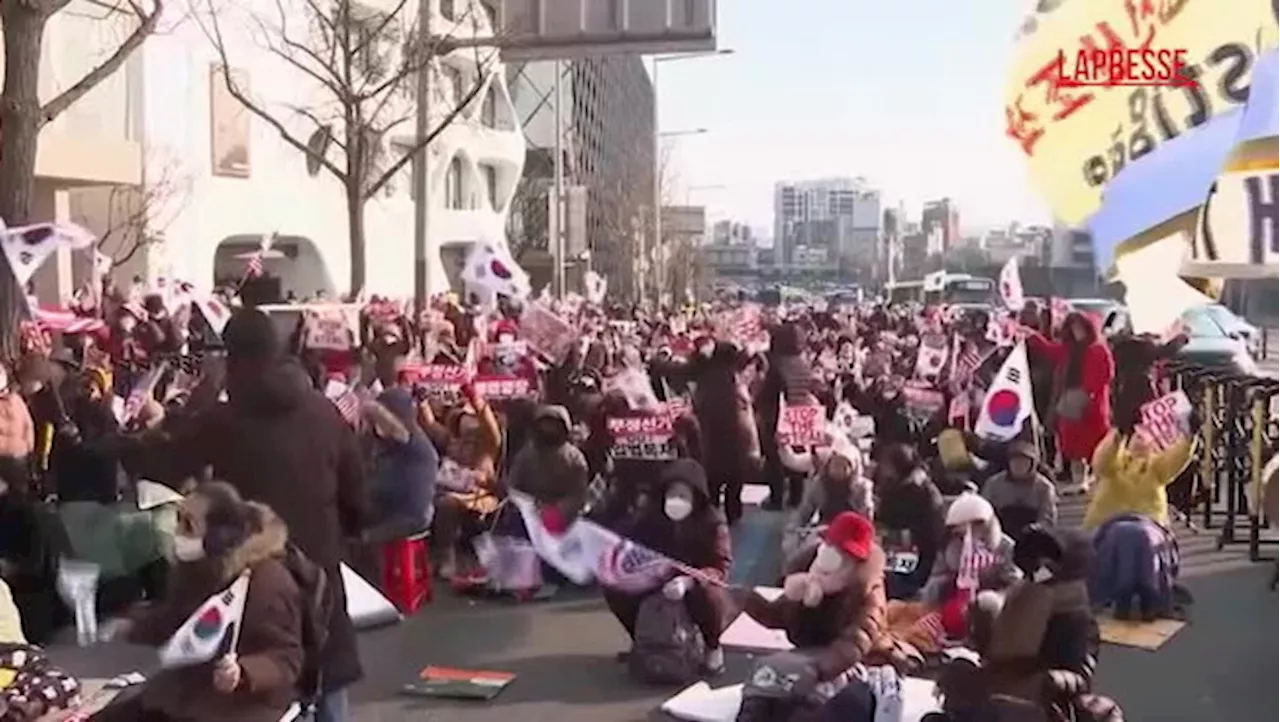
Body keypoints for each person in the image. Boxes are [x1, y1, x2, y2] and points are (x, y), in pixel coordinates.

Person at [138, 309, 367, 722]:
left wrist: (197, 396)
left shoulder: (222, 420)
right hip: (318, 566)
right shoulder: (323, 412)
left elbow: (167, 463)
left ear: (232, 359)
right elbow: (358, 495)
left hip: (252, 577)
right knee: (326, 679)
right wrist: (343, 536)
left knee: (258, 687)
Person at [92, 483, 307, 722]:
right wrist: (133, 626)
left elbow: (287, 657)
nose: (178, 532)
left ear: (219, 536)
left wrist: (244, 672)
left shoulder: (266, 581)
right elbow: (177, 622)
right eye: (178, 519)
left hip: (237, 708)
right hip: (185, 693)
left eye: (189, 525)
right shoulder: (193, 569)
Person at [930, 527, 1123, 722]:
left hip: (1041, 699)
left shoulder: (1077, 619)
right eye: (1037, 565)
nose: (1040, 571)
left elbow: (1080, 675)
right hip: (999, 684)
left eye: (1047, 565)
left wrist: (1055, 681)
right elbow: (993, 653)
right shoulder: (1021, 597)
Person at [738, 512, 891, 718]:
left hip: (843, 667)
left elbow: (855, 643)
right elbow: (776, 615)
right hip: (805, 660)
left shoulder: (867, 596)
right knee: (761, 692)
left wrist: (819, 668)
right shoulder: (808, 579)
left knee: (804, 708)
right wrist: (748, 599)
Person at [603, 459, 731, 674]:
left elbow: (719, 568)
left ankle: (713, 648)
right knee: (614, 586)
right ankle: (643, 640)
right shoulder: (649, 517)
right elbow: (626, 542)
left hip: (692, 582)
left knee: (711, 596)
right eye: (672, 494)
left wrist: (689, 581)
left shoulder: (712, 524)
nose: (675, 501)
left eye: (683, 495)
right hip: (655, 576)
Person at [1086, 429, 1193, 620]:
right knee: (1123, 534)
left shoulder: (1157, 466)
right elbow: (1101, 462)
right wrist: (1118, 434)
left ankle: (1149, 595)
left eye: (1146, 435)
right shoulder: (1115, 464)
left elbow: (1177, 458)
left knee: (1143, 536)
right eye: (1136, 435)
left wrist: (1190, 437)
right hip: (1111, 522)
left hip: (1150, 523)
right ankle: (1121, 594)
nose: (1141, 438)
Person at [1023, 312, 1115, 493]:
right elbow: (1050, 350)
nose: (1076, 330)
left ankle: (1095, 479)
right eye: (1073, 326)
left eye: (1079, 326)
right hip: (1071, 399)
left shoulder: (1098, 349)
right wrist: (1030, 336)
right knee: (1071, 443)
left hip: (1092, 402)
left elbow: (1106, 375)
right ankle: (1079, 480)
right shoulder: (1069, 348)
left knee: (1094, 442)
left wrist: (1088, 393)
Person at [781, 436, 874, 571]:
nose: (838, 469)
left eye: (844, 466)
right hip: (825, 529)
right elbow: (804, 511)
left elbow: (865, 518)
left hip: (851, 533)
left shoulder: (862, 488)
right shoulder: (819, 484)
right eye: (835, 465)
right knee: (804, 554)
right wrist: (793, 531)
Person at [363, 387, 438, 542]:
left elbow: (397, 428)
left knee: (359, 539)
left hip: (409, 516)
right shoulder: (390, 444)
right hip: (390, 506)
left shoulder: (416, 447)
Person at [981, 440, 1058, 539]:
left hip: (1033, 535)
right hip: (999, 533)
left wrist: (1036, 528)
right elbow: (984, 512)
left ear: (1032, 464)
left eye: (1023, 462)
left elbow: (1047, 518)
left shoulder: (1044, 487)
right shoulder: (993, 484)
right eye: (1015, 461)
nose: (1018, 465)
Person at [0, 363, 34, 497]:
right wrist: (28, 448)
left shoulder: (16, 400)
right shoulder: (17, 400)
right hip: (19, 457)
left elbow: (28, 425)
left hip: (6, 460)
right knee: (19, 497)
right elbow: (28, 425)